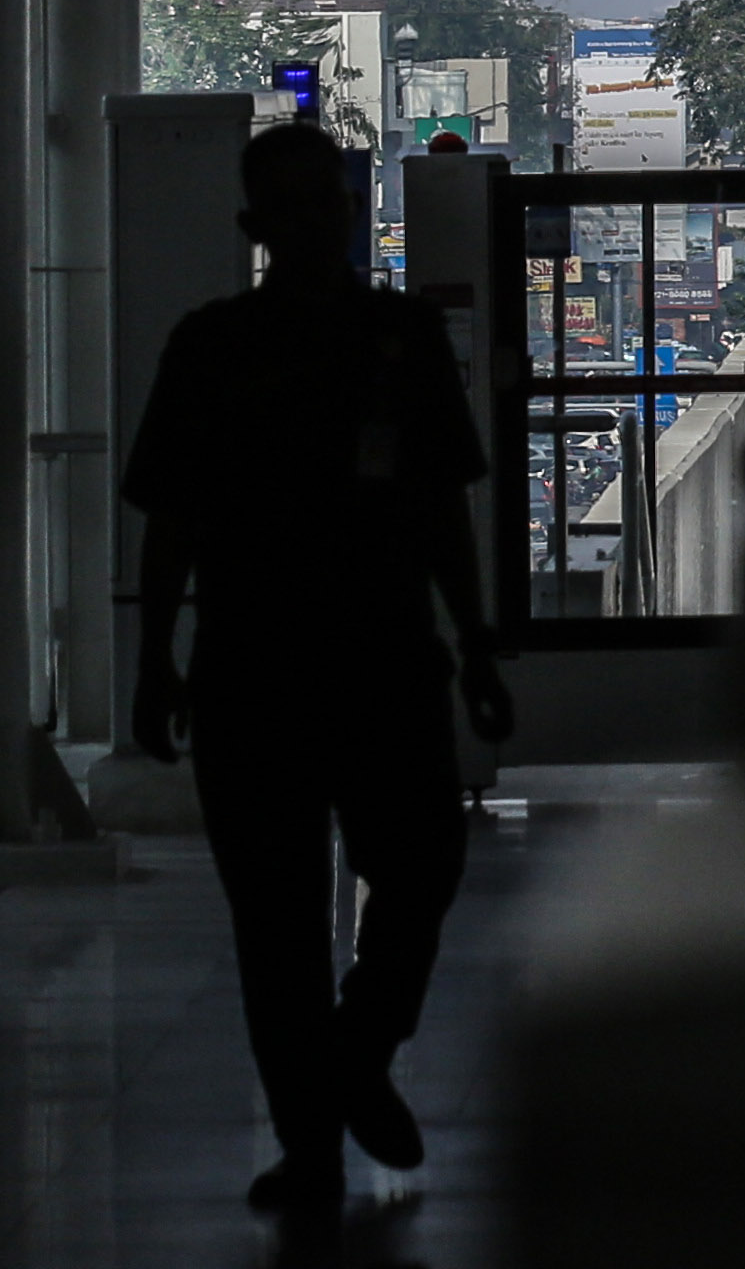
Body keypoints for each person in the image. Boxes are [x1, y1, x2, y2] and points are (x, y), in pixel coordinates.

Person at [126, 121, 514, 1212]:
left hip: (376, 657)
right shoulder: (211, 347)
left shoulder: (398, 339)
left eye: (324, 205)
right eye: (287, 209)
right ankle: (315, 1130)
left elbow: (443, 507)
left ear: (347, 215)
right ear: (254, 226)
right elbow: (174, 525)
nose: (310, 227)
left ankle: (355, 1049)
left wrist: (475, 641)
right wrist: (157, 661)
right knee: (277, 918)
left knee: (422, 863)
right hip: (262, 668)